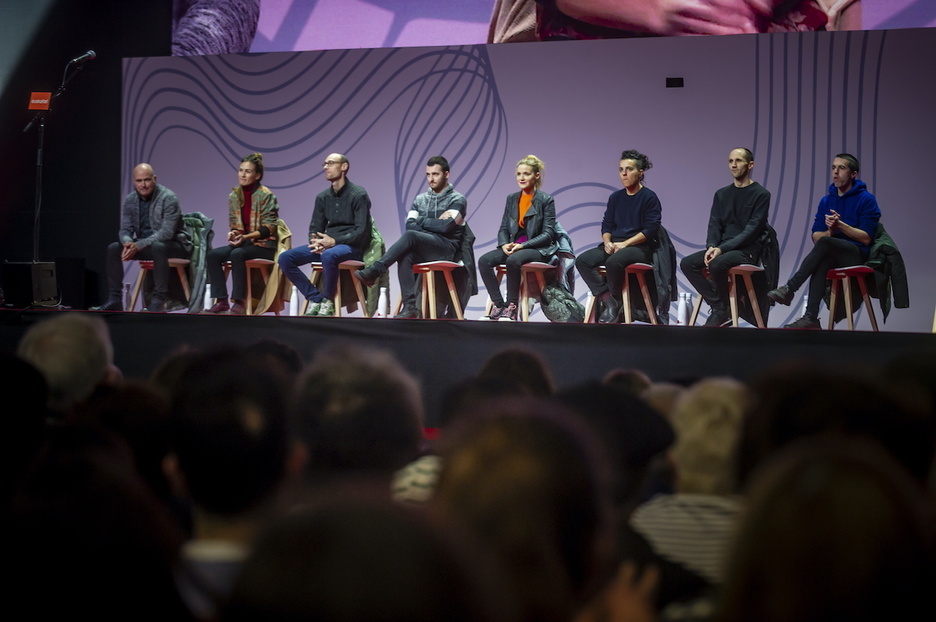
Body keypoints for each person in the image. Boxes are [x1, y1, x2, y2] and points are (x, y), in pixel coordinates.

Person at [767, 153, 880, 329]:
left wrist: (840, 226)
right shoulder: (826, 201)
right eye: (833, 167)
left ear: (853, 174)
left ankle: (790, 288)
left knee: (826, 244)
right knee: (823, 259)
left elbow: (866, 238)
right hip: (832, 253)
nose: (835, 172)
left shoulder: (866, 199)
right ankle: (811, 317)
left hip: (857, 254)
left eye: (841, 168)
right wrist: (831, 231)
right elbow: (816, 237)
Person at [354, 156, 467, 319]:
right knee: (405, 255)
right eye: (428, 174)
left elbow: (446, 227)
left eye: (435, 174)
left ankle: (376, 270)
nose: (431, 179)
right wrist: (433, 223)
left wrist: (421, 221)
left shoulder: (458, 199)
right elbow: (409, 224)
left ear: (447, 174)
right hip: (426, 248)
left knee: (411, 236)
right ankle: (410, 307)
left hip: (447, 249)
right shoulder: (420, 199)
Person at [681, 148, 770, 327]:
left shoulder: (761, 194)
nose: (733, 165)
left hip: (746, 250)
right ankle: (720, 307)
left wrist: (721, 249)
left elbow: (751, 231)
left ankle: (722, 309)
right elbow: (714, 224)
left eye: (738, 161)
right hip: (721, 249)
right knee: (687, 263)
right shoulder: (721, 194)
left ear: (750, 165)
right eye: (730, 161)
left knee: (717, 264)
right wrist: (711, 246)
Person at [277, 153, 372, 317]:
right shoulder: (323, 197)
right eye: (325, 164)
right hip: (327, 246)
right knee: (286, 258)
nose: (326, 167)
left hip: (351, 246)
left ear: (344, 167)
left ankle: (328, 300)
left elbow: (361, 232)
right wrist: (316, 242)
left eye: (331, 163)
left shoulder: (358, 194)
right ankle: (316, 298)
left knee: (329, 255)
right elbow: (315, 227)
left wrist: (334, 241)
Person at [576, 150, 662, 324]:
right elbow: (607, 225)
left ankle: (615, 301)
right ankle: (610, 301)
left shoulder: (649, 197)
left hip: (640, 248)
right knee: (583, 261)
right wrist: (607, 242)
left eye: (629, 169)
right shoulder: (615, 197)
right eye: (621, 169)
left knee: (614, 262)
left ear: (640, 172)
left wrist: (625, 244)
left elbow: (650, 229)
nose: (624, 173)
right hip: (615, 245)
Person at [92, 163, 191, 312]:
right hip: (147, 246)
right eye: (139, 181)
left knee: (159, 246)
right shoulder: (130, 200)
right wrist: (128, 243)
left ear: (155, 179)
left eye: (147, 180)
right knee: (113, 248)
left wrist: (137, 245)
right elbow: (125, 229)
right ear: (134, 182)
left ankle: (160, 299)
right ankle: (115, 299)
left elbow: (166, 233)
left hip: (174, 245)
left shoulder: (169, 197)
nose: (143, 185)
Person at [478, 155, 558, 322]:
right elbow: (504, 228)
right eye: (519, 174)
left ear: (536, 176)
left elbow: (548, 234)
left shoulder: (546, 200)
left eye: (526, 174)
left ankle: (511, 307)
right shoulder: (512, 198)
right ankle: (499, 306)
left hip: (538, 249)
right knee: (484, 261)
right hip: (515, 246)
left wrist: (523, 246)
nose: (521, 178)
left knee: (513, 260)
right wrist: (504, 244)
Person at [204, 153, 279, 315]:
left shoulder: (266, 195)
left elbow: (269, 228)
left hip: (264, 246)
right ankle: (221, 300)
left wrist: (245, 237)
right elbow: (235, 226)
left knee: (237, 253)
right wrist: (234, 234)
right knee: (213, 255)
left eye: (248, 171)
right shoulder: (234, 196)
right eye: (241, 170)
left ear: (257, 175)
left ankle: (239, 301)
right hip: (244, 244)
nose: (243, 175)